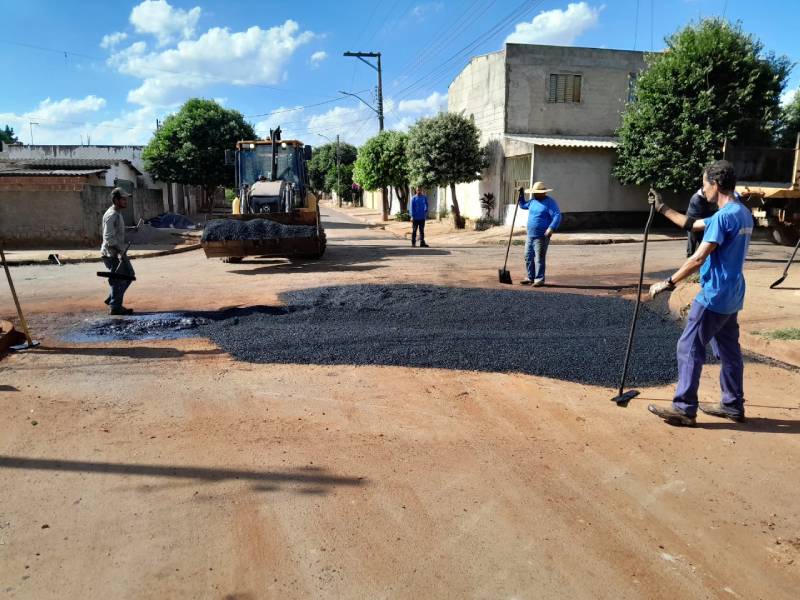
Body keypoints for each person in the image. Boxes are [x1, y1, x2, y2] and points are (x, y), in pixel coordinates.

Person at [648, 160, 753, 427]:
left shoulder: (722, 217)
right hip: (733, 293)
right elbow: (691, 224)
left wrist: (668, 282)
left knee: (689, 346)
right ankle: (732, 405)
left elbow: (697, 258)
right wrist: (662, 208)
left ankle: (684, 408)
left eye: (704, 184)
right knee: (729, 350)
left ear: (715, 184)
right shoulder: (742, 213)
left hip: (714, 295)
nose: (702, 189)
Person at [518, 181, 561, 286]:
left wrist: (551, 228)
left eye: (536, 192)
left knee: (539, 258)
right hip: (530, 235)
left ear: (543, 193)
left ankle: (539, 279)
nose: (535, 194)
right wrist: (521, 194)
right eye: (534, 192)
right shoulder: (533, 201)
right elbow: (523, 205)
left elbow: (557, 215)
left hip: (542, 235)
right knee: (528, 256)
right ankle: (530, 277)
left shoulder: (550, 203)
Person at [101, 187, 135, 315]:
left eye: (126, 199)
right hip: (112, 254)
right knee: (119, 278)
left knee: (129, 274)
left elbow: (117, 229)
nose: (126, 201)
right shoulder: (112, 215)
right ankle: (115, 306)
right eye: (123, 199)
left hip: (118, 252)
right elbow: (108, 237)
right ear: (116, 200)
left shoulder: (118, 213)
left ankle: (113, 299)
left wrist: (131, 229)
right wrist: (120, 252)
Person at [685, 188, 717, 256]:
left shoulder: (702, 197)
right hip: (692, 221)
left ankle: (700, 254)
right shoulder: (697, 198)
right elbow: (703, 213)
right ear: (704, 192)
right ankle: (690, 254)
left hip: (698, 221)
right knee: (692, 239)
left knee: (700, 238)